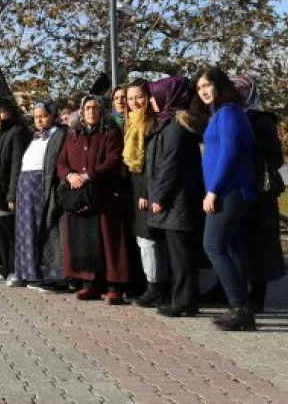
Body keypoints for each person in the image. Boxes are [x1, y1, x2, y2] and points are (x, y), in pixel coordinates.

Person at [192, 67, 258, 331]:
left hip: (229, 191)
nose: (203, 91)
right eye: (199, 88)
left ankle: (239, 307)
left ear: (220, 85)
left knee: (214, 246)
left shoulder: (229, 113)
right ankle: (243, 309)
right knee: (230, 248)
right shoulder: (220, 114)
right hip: (228, 190)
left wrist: (214, 190)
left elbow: (229, 155)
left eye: (207, 85)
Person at [57, 95, 130, 304]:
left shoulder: (110, 131)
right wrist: (70, 175)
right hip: (78, 195)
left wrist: (89, 175)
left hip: (104, 194)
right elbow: (61, 161)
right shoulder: (73, 134)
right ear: (81, 111)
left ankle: (114, 285)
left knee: (109, 240)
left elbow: (114, 159)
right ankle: (89, 284)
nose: (91, 112)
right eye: (88, 108)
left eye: (96, 108)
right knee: (84, 240)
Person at [145, 76, 205, 318]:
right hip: (175, 199)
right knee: (179, 252)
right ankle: (183, 299)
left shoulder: (177, 127)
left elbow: (170, 164)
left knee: (181, 253)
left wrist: (158, 196)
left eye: (155, 95)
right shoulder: (170, 123)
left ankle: (184, 301)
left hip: (177, 201)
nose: (151, 100)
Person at [230, 75, 286, 314]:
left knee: (258, 245)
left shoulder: (261, 121)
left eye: (240, 92)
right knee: (237, 242)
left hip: (258, 193)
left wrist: (251, 164)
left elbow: (276, 158)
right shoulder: (232, 117)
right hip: (236, 189)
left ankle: (257, 295)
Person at [13, 101, 67, 289]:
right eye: (36, 117)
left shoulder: (58, 134)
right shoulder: (35, 137)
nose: (39, 120)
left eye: (43, 116)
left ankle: (43, 274)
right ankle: (24, 272)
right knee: (25, 230)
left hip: (41, 185)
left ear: (52, 116)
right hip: (25, 186)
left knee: (41, 229)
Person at [125, 78, 168, 308]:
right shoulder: (131, 122)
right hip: (134, 188)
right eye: (130, 98)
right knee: (144, 241)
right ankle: (150, 284)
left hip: (147, 190)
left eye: (139, 97)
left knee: (149, 241)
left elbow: (152, 162)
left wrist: (145, 192)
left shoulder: (152, 123)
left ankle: (156, 287)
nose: (134, 102)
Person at [0, 98, 31, 285]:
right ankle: (6, 269)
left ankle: (17, 271)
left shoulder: (17, 133)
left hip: (5, 194)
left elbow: (16, 164)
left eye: (1, 112)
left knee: (11, 235)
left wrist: (12, 193)